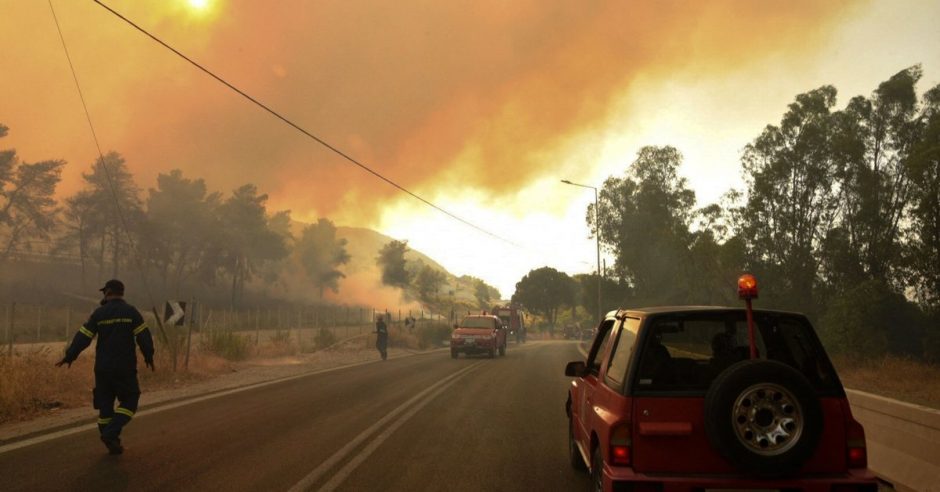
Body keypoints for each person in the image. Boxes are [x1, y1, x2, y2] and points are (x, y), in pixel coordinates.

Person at [56, 279, 154, 455]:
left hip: (103, 369)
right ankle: (110, 434)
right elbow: (144, 336)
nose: (102, 296)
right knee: (130, 400)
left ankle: (112, 440)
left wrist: (70, 355)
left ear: (108, 292)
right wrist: (149, 356)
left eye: (104, 293)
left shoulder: (99, 314)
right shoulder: (131, 312)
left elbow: (83, 336)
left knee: (105, 407)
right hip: (124, 368)